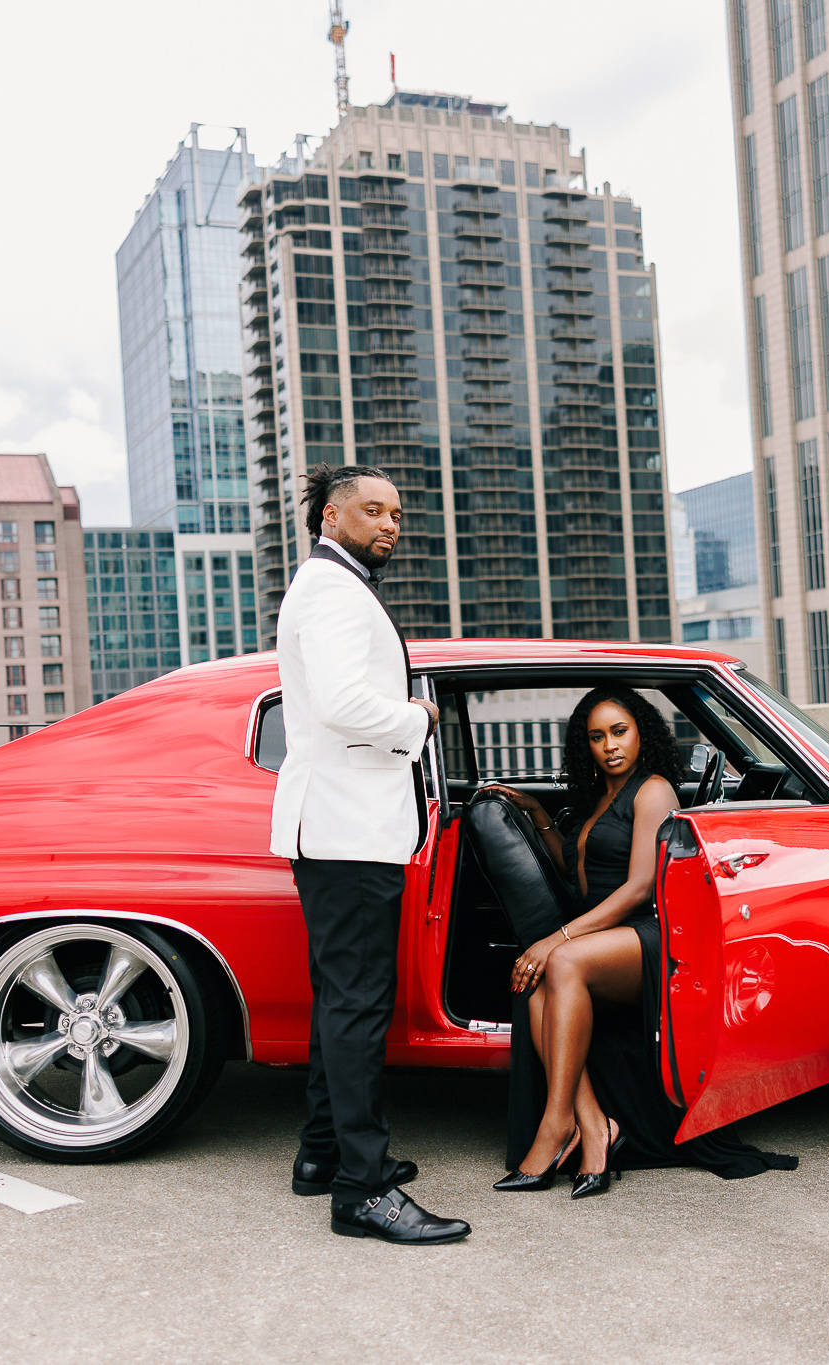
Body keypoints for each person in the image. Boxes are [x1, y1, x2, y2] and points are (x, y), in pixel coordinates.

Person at [481, 686, 797, 1197]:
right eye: (596, 737)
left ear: (642, 733)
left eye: (619, 732)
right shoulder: (597, 796)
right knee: (537, 983)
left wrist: (556, 938)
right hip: (604, 936)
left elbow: (639, 887)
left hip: (649, 935)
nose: (609, 746)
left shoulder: (653, 791)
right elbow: (575, 869)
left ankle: (556, 1122)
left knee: (560, 960)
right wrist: (538, 814)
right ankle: (594, 1124)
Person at [270, 463, 470, 1245]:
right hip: (346, 828)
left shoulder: (332, 584)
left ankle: (323, 1153)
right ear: (331, 515)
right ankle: (362, 1189)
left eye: (397, 514)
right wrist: (419, 716)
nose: (391, 524)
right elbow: (342, 704)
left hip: (340, 827)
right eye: (374, 510)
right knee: (358, 1005)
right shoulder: (330, 589)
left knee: (339, 1000)